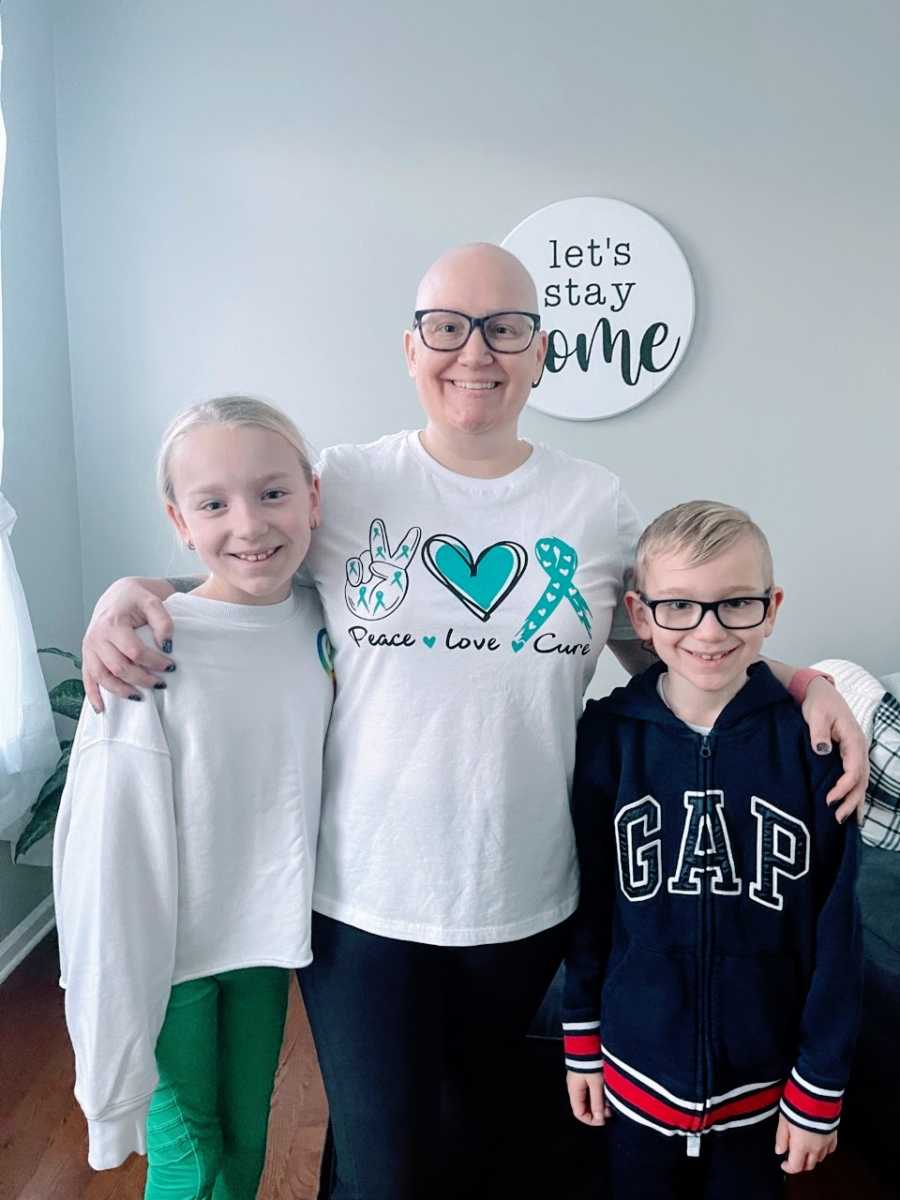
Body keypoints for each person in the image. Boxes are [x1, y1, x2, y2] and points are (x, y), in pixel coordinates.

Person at [79, 245, 867, 1200]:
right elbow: (243, 572)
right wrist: (132, 591)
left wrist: (801, 680)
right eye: (449, 327)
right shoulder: (345, 483)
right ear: (412, 349)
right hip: (360, 900)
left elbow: (680, 640)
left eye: (507, 329)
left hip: (525, 896)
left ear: (541, 353)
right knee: (385, 1171)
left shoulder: (593, 505)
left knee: (480, 1151)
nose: (477, 352)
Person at [54, 398, 333, 1197]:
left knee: (247, 1138)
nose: (249, 525)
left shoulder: (328, 615)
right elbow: (110, 853)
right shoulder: (145, 651)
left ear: (313, 496)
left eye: (273, 493)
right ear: (181, 520)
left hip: (264, 944)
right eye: (214, 503)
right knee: (190, 1157)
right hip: (161, 959)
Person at [563, 501, 862, 1200]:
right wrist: (582, 1036)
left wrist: (821, 1083)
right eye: (680, 608)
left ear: (771, 607)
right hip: (635, 1072)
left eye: (735, 605)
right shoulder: (606, 741)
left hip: (765, 1085)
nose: (709, 631)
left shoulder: (814, 749)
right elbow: (587, 902)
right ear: (639, 616)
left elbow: (836, 927)